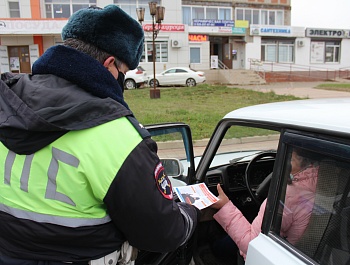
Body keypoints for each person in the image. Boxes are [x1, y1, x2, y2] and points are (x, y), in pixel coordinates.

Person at [0, 5, 199, 264]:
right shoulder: (117, 135)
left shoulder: (6, 100)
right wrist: (190, 212)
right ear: (109, 65)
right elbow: (164, 233)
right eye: (124, 72)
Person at [211, 149, 319, 260]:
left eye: (291, 159)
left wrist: (224, 206)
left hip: (268, 256)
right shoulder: (322, 184)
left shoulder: (287, 197)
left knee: (225, 244)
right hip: (294, 249)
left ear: (305, 162)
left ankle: (212, 249)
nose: (286, 162)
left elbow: (252, 244)